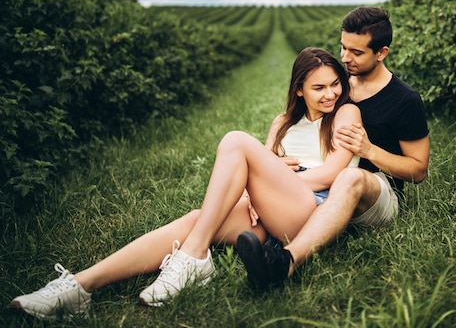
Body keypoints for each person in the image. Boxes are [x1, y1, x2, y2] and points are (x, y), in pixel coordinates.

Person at [9, 47, 362, 320]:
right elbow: (264, 168)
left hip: (311, 208)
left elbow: (333, 173)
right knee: (196, 220)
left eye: (334, 84)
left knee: (236, 141)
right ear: (299, 89)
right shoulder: (282, 121)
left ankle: (193, 259)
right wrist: (252, 192)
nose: (330, 93)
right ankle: (79, 287)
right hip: (271, 211)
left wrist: (278, 178)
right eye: (319, 87)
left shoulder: (346, 113)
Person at [237, 6, 430, 289]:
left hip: (372, 191)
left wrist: (369, 150)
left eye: (356, 52)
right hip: (324, 192)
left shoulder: (404, 100)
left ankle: (284, 262)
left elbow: (419, 170)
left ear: (381, 53)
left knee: (348, 177)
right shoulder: (336, 87)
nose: (345, 58)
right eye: (343, 48)